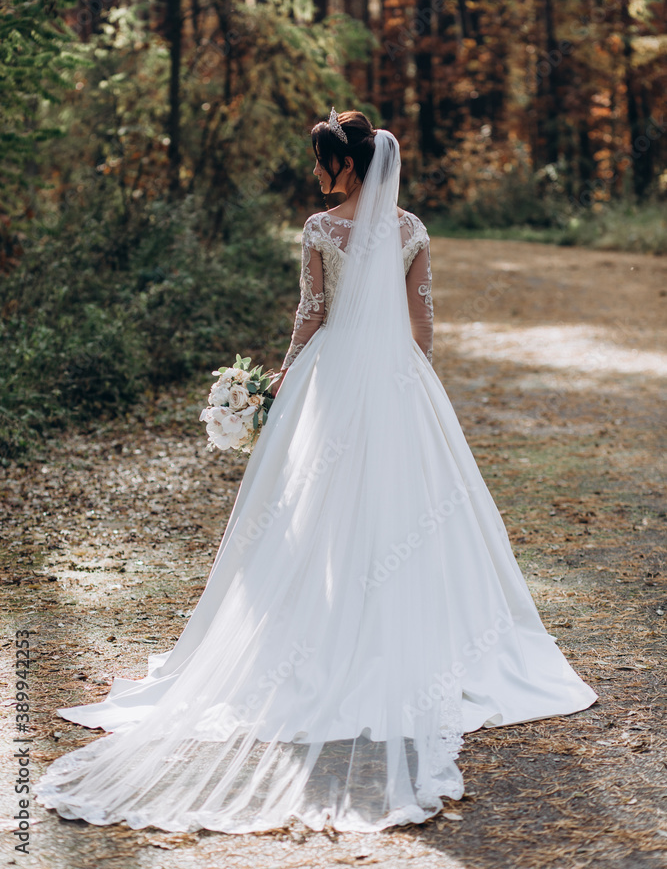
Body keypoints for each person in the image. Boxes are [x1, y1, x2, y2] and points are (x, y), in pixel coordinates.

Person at [35, 109, 596, 835]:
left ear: (343, 166)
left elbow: (311, 312)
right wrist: (401, 383)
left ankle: (310, 633)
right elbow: (423, 328)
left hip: (329, 384)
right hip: (398, 383)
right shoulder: (413, 230)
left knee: (308, 512)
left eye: (318, 163)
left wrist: (280, 377)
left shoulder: (319, 229)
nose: (313, 175)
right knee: (410, 509)